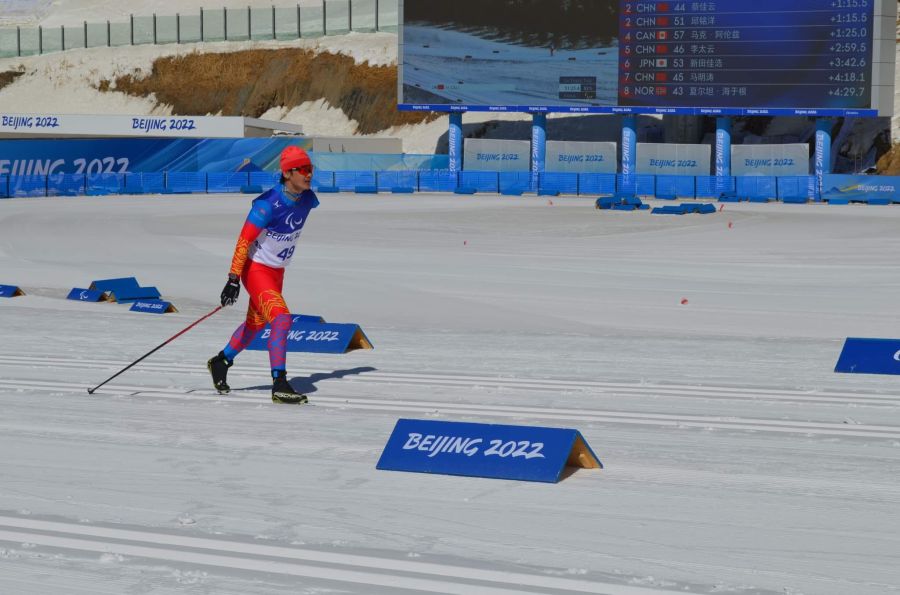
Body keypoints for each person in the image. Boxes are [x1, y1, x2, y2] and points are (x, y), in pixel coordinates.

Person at [207, 145, 319, 404]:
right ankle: (279, 383)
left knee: (255, 325)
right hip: (256, 270)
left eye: (310, 168)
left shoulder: (307, 198)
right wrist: (233, 279)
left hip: (277, 272)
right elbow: (244, 240)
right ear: (287, 173)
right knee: (281, 319)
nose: (309, 174)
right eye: (303, 169)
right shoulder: (267, 205)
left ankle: (221, 361)